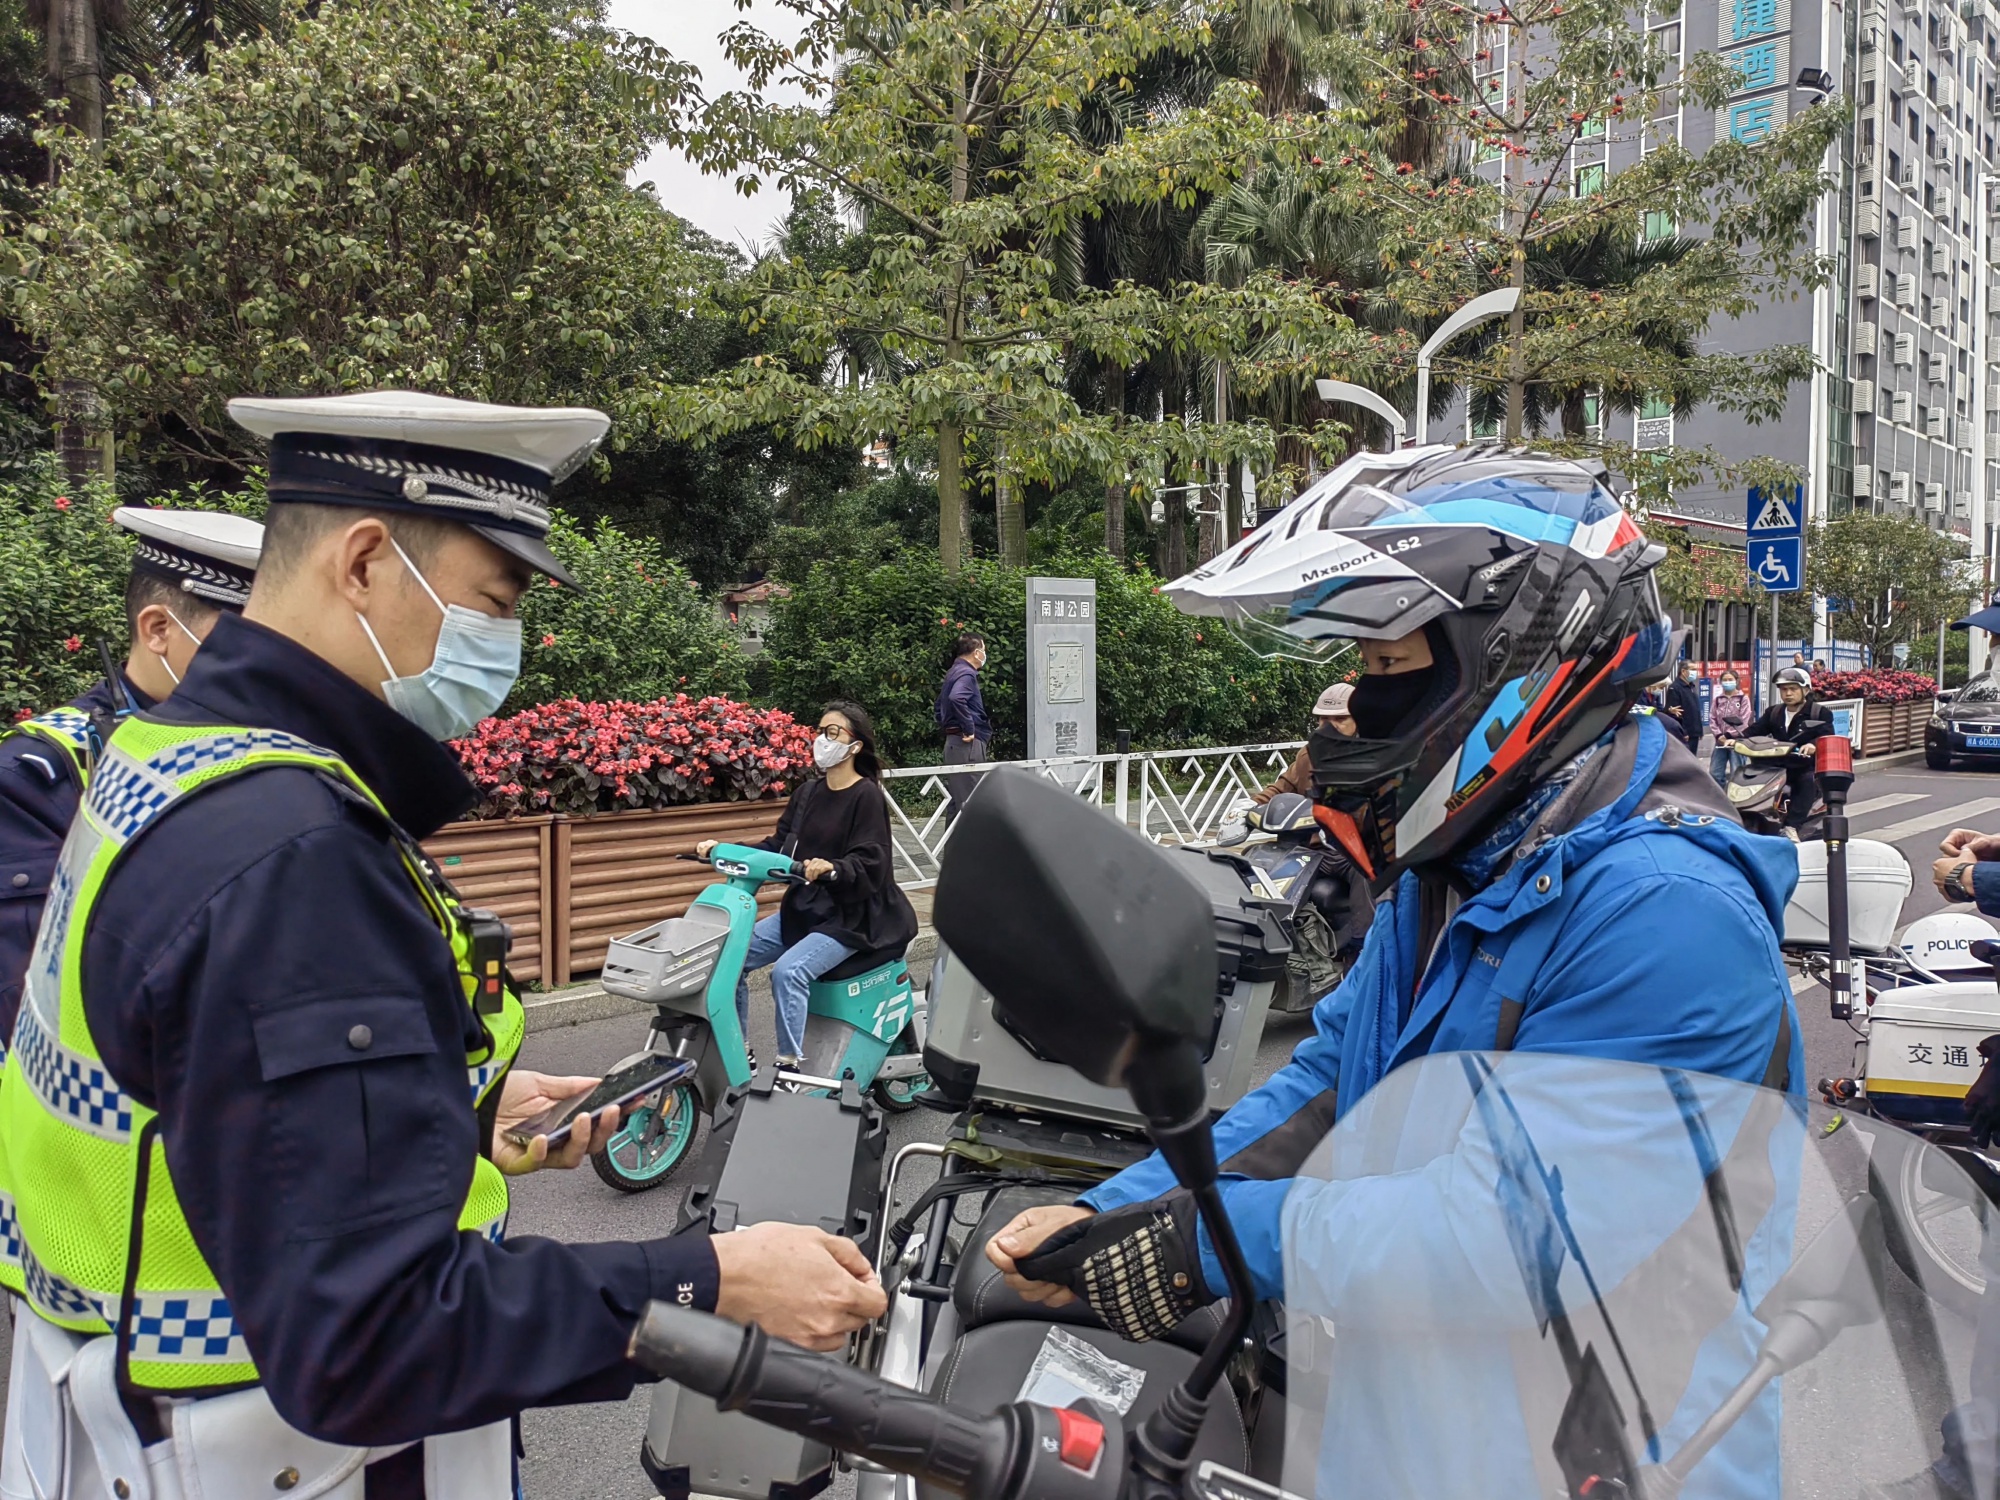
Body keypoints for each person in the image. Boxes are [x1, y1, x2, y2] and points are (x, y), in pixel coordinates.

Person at [0, 392, 884, 1497]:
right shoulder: (292, 852)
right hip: (285, 1457)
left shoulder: (163, 761)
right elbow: (373, 1337)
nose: (504, 646)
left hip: (120, 1410)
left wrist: (445, 1115)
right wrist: (709, 1281)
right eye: (490, 602)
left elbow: (196, 1096)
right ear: (366, 561)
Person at [981, 447, 1801, 1493]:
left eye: (1383, 672)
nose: (1356, 714)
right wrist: (1120, 1211)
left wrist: (1200, 1243)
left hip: (1602, 1460)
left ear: (1513, 660)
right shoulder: (1454, 868)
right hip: (1416, 1434)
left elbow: (1513, 1241)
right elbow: (1326, 1093)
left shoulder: (1663, 914)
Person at [0, 506, 262, 1044]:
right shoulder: (39, 774)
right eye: (242, 638)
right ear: (159, 629)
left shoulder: (274, 751)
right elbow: (28, 992)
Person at [696, 700, 917, 1071]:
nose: (822, 739)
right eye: (820, 731)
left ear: (855, 745)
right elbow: (778, 846)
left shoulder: (867, 796)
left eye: (833, 732)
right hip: (804, 909)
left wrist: (834, 867)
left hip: (849, 916)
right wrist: (723, 848)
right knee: (727, 959)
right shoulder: (808, 794)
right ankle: (738, 1055)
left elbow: (872, 861)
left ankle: (791, 1065)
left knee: (789, 971)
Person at [1746, 664, 1832, 831]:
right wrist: (1732, 739)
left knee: (1807, 781)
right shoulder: (1774, 712)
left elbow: (1827, 737)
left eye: (1793, 689)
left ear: (1806, 690)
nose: (1788, 693)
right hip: (1776, 765)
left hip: (1802, 765)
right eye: (1784, 689)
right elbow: (1754, 730)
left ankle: (1792, 826)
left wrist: (1813, 745)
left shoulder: (1819, 713)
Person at [1251, 682, 1355, 803]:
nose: (1330, 726)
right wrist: (1250, 806)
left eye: (1340, 718)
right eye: (1324, 718)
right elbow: (1282, 788)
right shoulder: (1309, 755)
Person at [936, 632, 990, 820]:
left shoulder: (953, 672)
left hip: (954, 741)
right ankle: (973, 848)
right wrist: (969, 728)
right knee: (970, 801)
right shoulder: (966, 673)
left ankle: (952, 847)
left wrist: (946, 725)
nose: (985, 654)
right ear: (976, 653)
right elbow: (957, 698)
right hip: (966, 745)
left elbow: (939, 705)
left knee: (956, 801)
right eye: (983, 650)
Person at [1707, 667, 1755, 786]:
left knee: (1737, 771)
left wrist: (1728, 736)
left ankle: (1736, 798)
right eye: (1725, 680)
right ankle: (1721, 796)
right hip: (1720, 742)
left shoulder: (1743, 699)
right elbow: (1712, 718)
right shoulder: (1718, 699)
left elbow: (1744, 721)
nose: (1727, 682)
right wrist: (1719, 736)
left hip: (1736, 741)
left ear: (1737, 681)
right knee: (1715, 772)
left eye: (1730, 679)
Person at [1665, 658, 1703, 747]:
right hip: (1685, 734)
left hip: (1694, 733)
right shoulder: (1675, 688)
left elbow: (1695, 710)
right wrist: (1683, 732)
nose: (1696, 672)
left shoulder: (1691, 686)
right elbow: (1675, 713)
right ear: (1683, 671)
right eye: (1693, 669)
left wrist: (1699, 731)